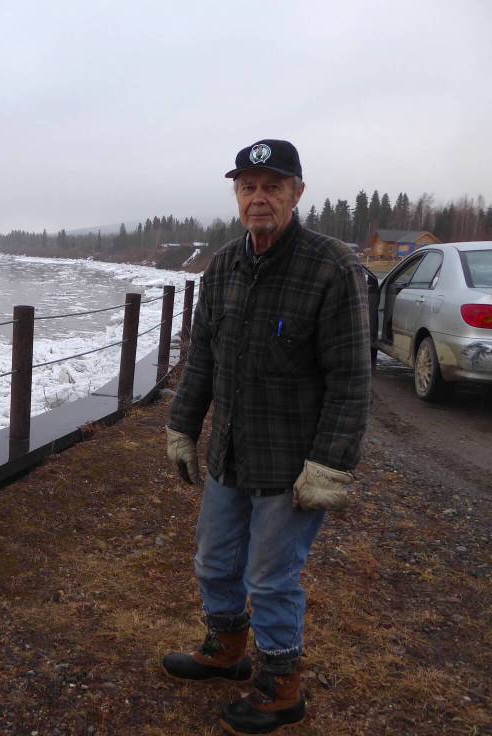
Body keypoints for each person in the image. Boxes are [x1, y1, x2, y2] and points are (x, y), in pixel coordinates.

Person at [162, 139, 371, 735]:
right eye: (248, 186)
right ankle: (225, 651)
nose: (259, 197)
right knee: (214, 560)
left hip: (290, 464)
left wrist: (330, 466)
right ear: (237, 194)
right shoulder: (225, 264)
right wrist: (182, 425)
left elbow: (351, 380)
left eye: (273, 186)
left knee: (271, 576)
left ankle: (282, 686)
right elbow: (202, 356)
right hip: (229, 450)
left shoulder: (331, 268)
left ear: (297, 193)